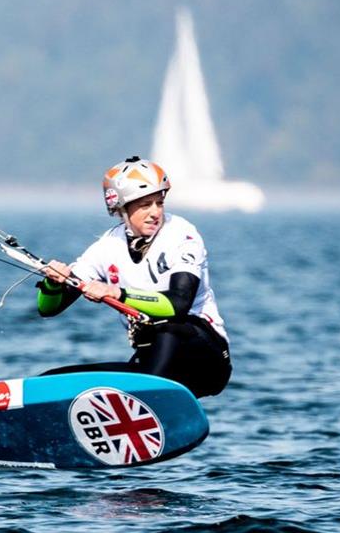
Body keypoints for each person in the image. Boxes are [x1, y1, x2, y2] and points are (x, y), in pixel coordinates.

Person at [36, 156, 231, 398]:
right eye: (144, 205)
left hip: (205, 358)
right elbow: (48, 309)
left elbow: (178, 304)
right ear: (121, 209)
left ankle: (143, 398)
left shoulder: (182, 235)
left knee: (167, 330)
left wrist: (116, 293)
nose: (155, 213)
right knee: (52, 382)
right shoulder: (107, 246)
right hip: (154, 362)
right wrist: (53, 283)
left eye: (159, 203)